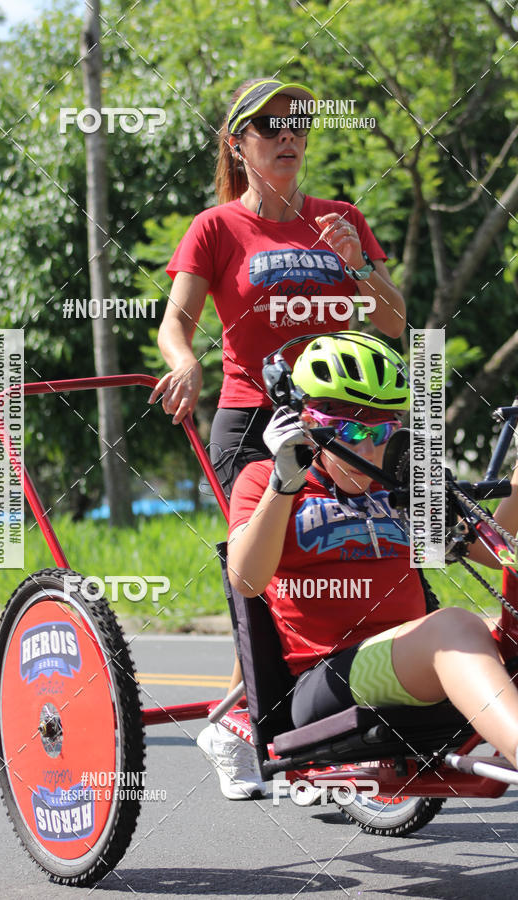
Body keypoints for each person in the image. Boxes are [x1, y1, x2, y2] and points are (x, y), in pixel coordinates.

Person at [149, 77, 406, 797]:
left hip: (341, 417)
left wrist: (357, 265)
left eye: (298, 124)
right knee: (263, 564)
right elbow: (175, 321)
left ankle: (342, 708)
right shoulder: (216, 227)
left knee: (354, 542)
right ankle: (240, 726)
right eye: (269, 126)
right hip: (255, 418)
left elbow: (392, 322)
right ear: (240, 144)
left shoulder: (341, 216)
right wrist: (186, 360)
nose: (288, 135)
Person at [223, 332, 518, 778]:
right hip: (325, 681)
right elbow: (246, 581)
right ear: (302, 421)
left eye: (381, 432)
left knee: (470, 629)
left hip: (411, 657)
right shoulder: (264, 479)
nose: (365, 449)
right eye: (345, 431)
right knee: (456, 624)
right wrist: (285, 481)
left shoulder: (398, 483)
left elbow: (496, 552)